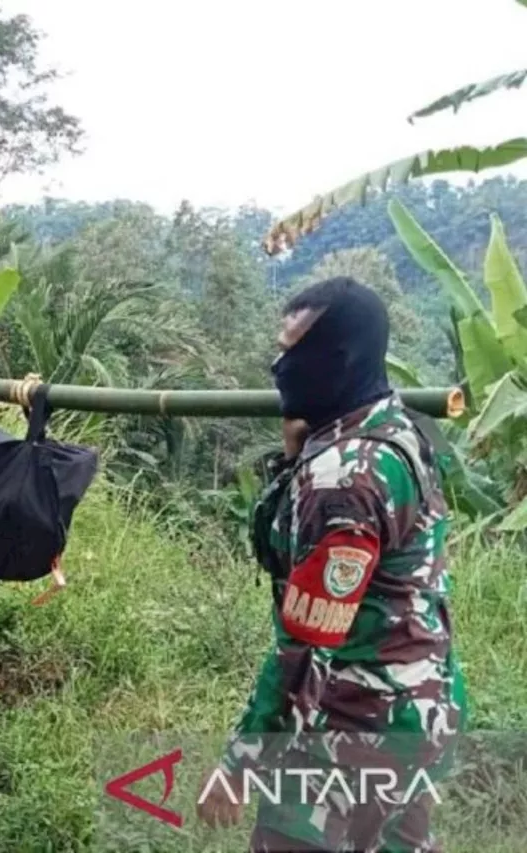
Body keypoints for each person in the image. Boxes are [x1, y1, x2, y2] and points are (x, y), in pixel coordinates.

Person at [197, 277, 464, 851]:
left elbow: (307, 644)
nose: (278, 366)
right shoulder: (396, 430)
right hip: (416, 713)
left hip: (349, 730)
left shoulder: (346, 479)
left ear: (335, 360)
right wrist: (297, 455)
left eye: (292, 351)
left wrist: (241, 761)